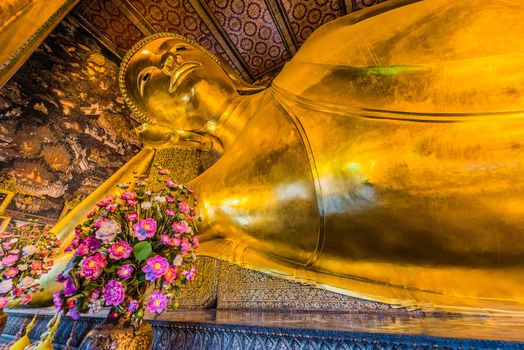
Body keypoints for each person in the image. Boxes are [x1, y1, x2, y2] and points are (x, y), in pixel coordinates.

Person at [36, 0, 524, 312]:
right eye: (151, 79)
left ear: (214, 59)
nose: (169, 63)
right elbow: (79, 263)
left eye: (174, 47)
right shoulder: (212, 198)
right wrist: (21, 273)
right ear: (163, 129)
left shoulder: (318, 50)